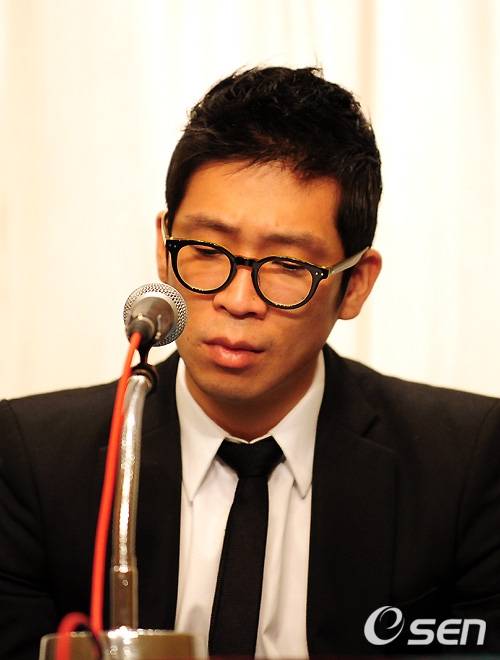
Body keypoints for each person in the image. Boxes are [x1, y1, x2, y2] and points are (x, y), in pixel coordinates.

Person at [1, 66, 499, 659]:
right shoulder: (32, 460)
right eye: (206, 251)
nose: (238, 301)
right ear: (164, 248)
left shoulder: (465, 464)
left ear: (357, 284)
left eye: (288, 265)